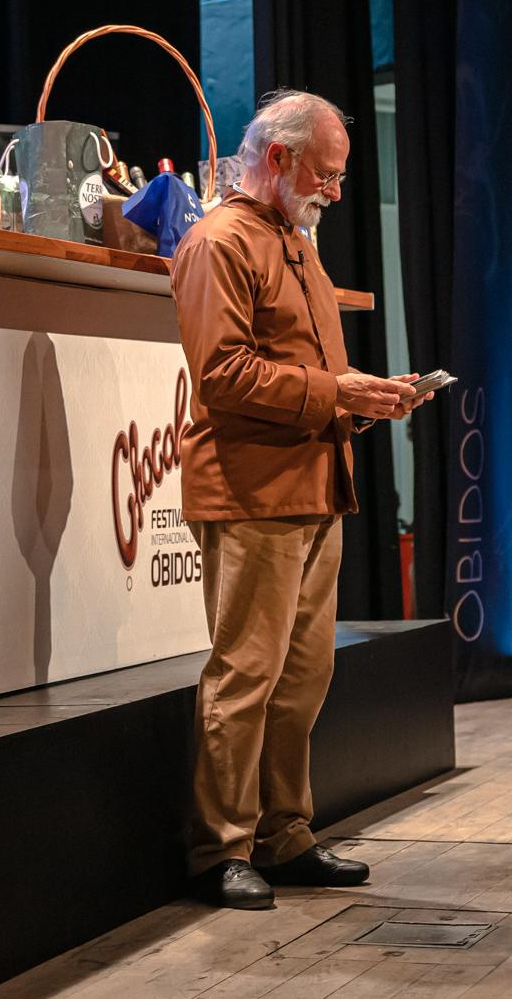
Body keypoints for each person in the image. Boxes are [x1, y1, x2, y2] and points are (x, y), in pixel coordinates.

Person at [171, 89, 430, 910]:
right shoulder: (219, 242)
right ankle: (220, 850)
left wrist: (367, 397)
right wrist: (335, 389)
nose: (336, 189)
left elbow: (309, 375)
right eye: (327, 172)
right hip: (252, 490)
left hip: (316, 486)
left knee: (304, 675)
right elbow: (223, 375)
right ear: (277, 157)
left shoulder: (295, 241)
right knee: (246, 671)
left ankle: (284, 834)